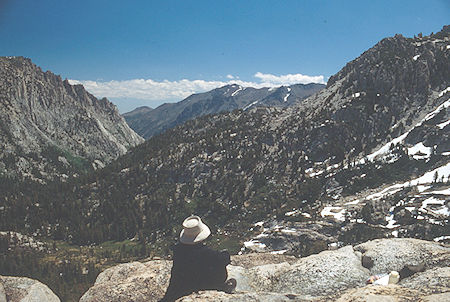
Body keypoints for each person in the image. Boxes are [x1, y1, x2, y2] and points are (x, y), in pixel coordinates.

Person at [160, 215, 236, 302]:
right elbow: (224, 258)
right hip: (203, 285)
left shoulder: (178, 251)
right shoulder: (207, 253)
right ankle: (222, 288)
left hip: (181, 287)